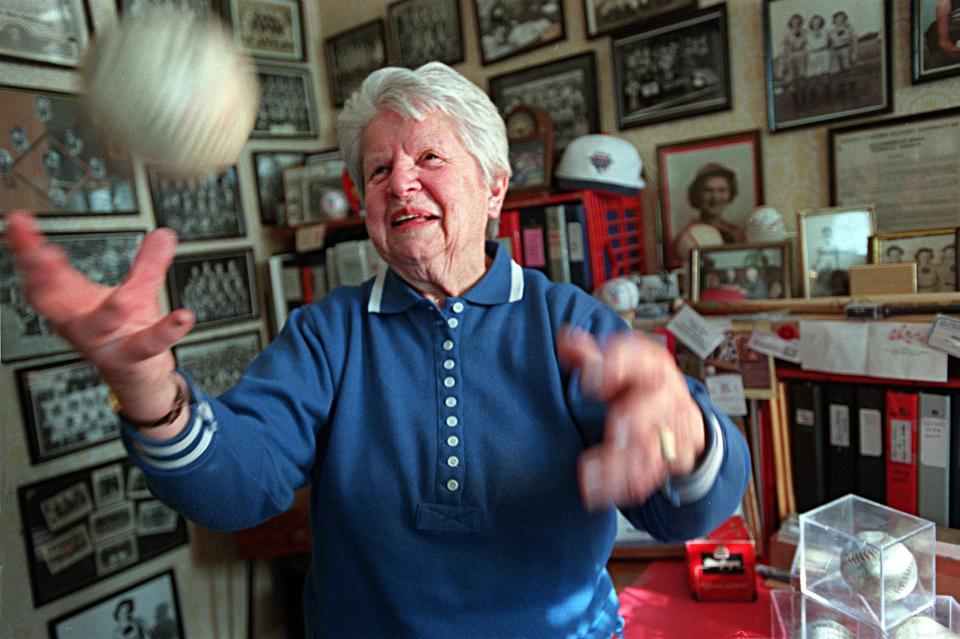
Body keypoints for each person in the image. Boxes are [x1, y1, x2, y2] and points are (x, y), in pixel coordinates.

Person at [6, 62, 750, 638]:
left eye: (430, 157)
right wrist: (146, 387)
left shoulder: (571, 322)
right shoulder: (327, 332)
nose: (402, 184)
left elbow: (685, 514)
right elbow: (237, 487)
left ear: (495, 186)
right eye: (378, 169)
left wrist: (682, 439)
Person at [678, 162, 745, 248]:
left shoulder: (738, 232)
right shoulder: (688, 237)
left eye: (722, 190)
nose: (716, 198)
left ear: (730, 193)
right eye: (708, 190)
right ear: (697, 194)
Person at [924, 0, 960, 70]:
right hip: (943, 40)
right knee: (932, 66)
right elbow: (942, 5)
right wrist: (944, 41)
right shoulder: (945, 5)